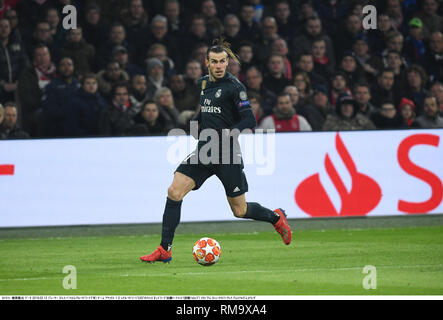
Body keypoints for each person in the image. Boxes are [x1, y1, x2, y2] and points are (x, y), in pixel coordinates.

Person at [140, 39, 292, 263]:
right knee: (174, 191)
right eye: (215, 61)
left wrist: (229, 134)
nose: (219, 65)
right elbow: (204, 112)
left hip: (228, 154)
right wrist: (193, 125)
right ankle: (165, 250)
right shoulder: (203, 84)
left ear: (227, 62)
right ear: (207, 63)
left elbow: (249, 118)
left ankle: (276, 218)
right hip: (205, 150)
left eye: (223, 61)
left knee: (239, 211)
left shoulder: (235, 87)